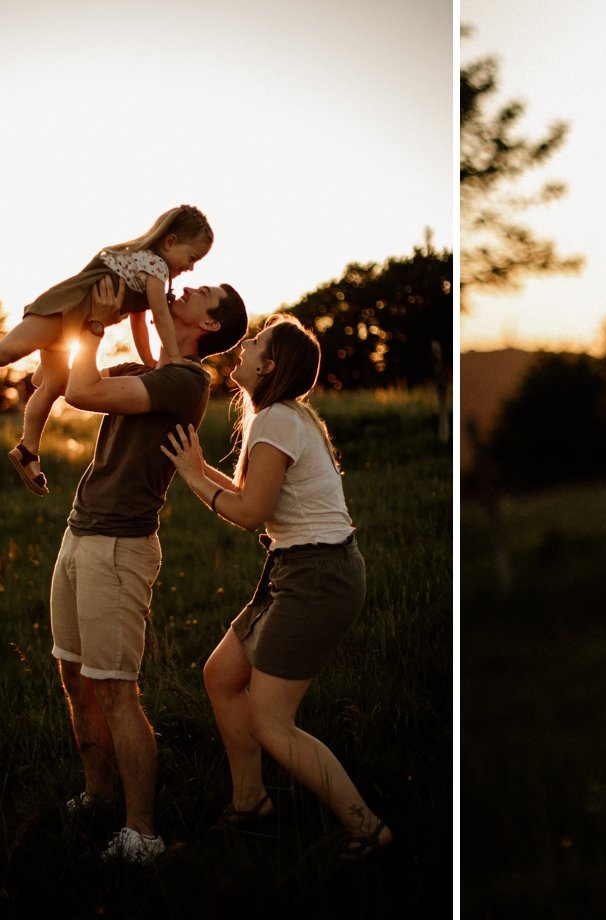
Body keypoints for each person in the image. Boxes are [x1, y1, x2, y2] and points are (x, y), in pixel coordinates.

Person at [160, 314, 393, 860]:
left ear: (268, 367)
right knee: (221, 676)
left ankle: (367, 829)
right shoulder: (279, 418)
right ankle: (251, 803)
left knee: (270, 720)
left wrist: (195, 479)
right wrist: (198, 470)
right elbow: (250, 497)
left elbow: (249, 513)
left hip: (318, 577)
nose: (242, 346)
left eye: (255, 343)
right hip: (298, 569)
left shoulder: (278, 422)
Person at [51, 276, 247, 865]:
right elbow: (72, 381)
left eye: (202, 292)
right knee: (75, 680)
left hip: (118, 548)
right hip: (79, 531)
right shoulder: (153, 371)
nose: (187, 287)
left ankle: (143, 833)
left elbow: (82, 391)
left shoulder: (188, 382)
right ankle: (96, 794)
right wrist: (124, 315)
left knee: (115, 691)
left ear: (210, 325)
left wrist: (94, 326)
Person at [0, 205, 214, 496]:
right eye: (192, 258)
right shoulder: (156, 265)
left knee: (54, 384)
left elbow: (139, 320)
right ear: (171, 241)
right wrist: (173, 357)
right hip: (64, 309)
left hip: (74, 323)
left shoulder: (151, 270)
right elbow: (160, 318)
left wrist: (149, 359)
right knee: (6, 352)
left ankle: (28, 450)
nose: (190, 267)